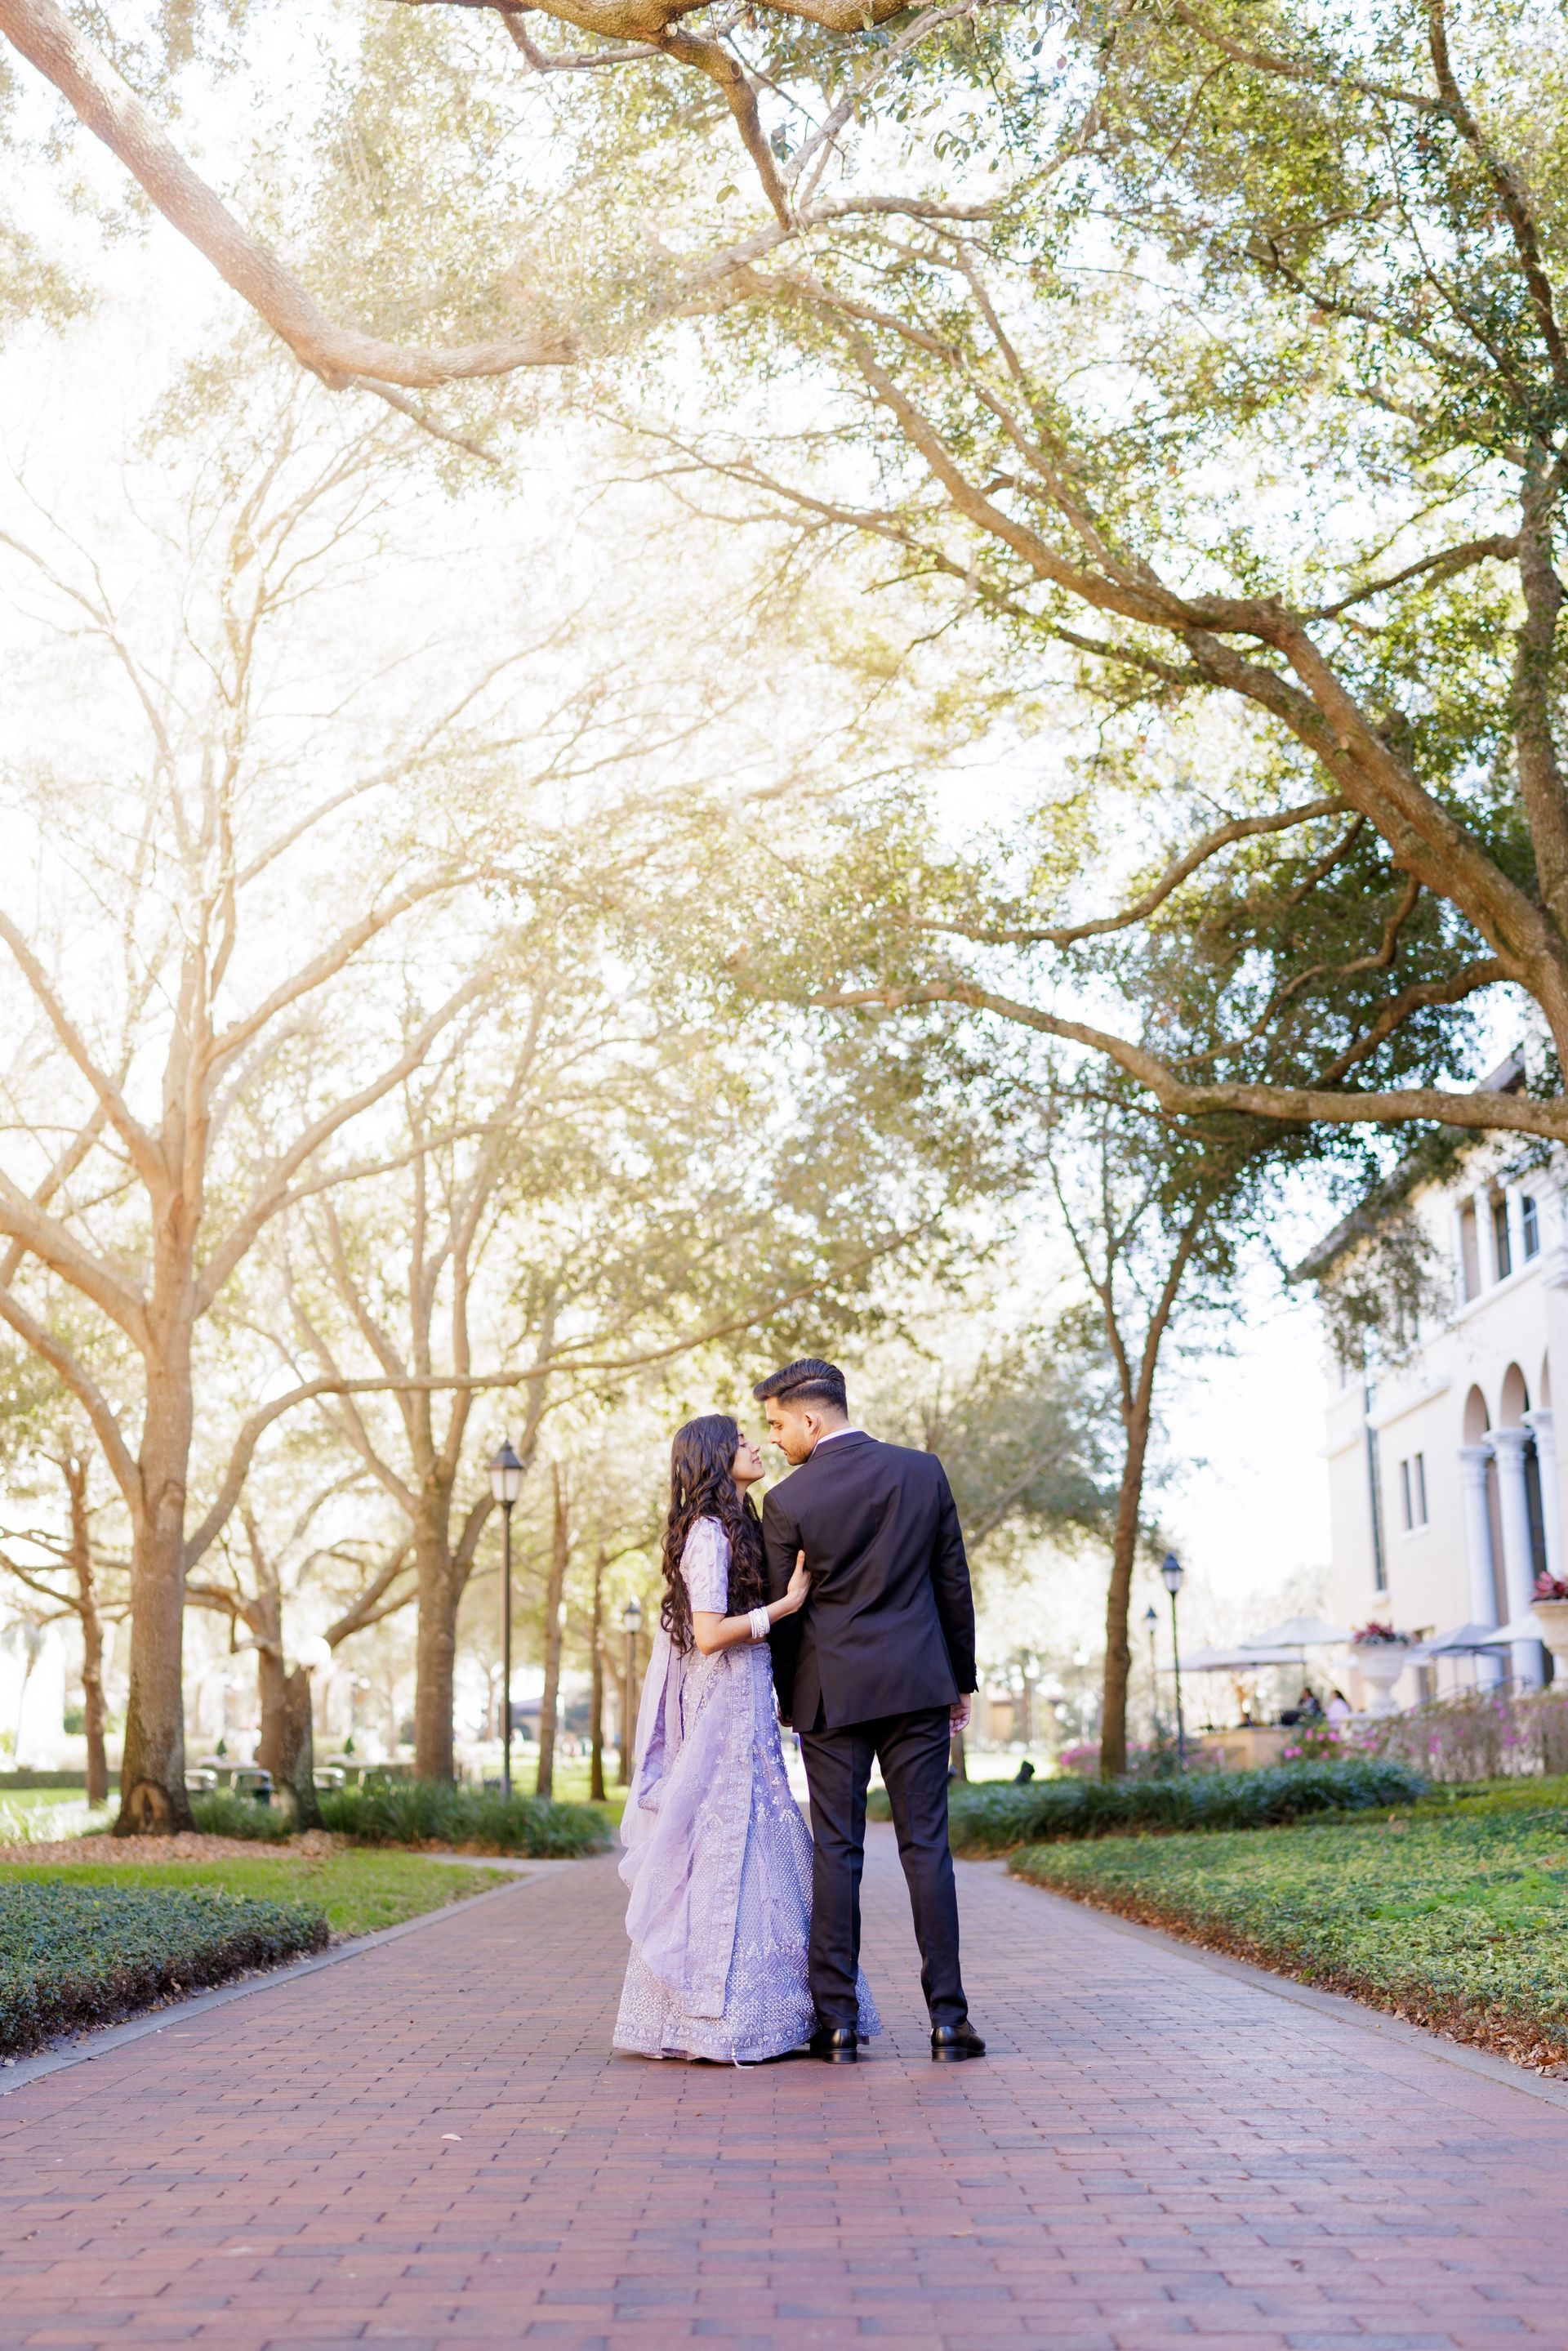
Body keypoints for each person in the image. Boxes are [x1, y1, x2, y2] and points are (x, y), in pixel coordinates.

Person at [614, 1412, 880, 2063]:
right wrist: (785, 1607)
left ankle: (780, 2005)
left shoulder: (737, 1523)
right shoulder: (708, 1534)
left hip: (748, 1701)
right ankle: (716, 2011)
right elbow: (709, 1635)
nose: (755, 1445)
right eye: (740, 1441)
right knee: (727, 1837)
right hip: (722, 1707)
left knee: (763, 1839)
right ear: (714, 1457)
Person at [755, 1357, 985, 2066]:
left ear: (810, 1418)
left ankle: (837, 2026)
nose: (773, 1439)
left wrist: (790, 1697)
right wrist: (960, 1679)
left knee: (837, 1852)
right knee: (927, 1848)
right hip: (918, 1683)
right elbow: (952, 1582)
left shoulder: (787, 1501)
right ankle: (949, 2022)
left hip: (831, 1693)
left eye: (777, 1425)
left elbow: (786, 1615)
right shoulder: (923, 1473)